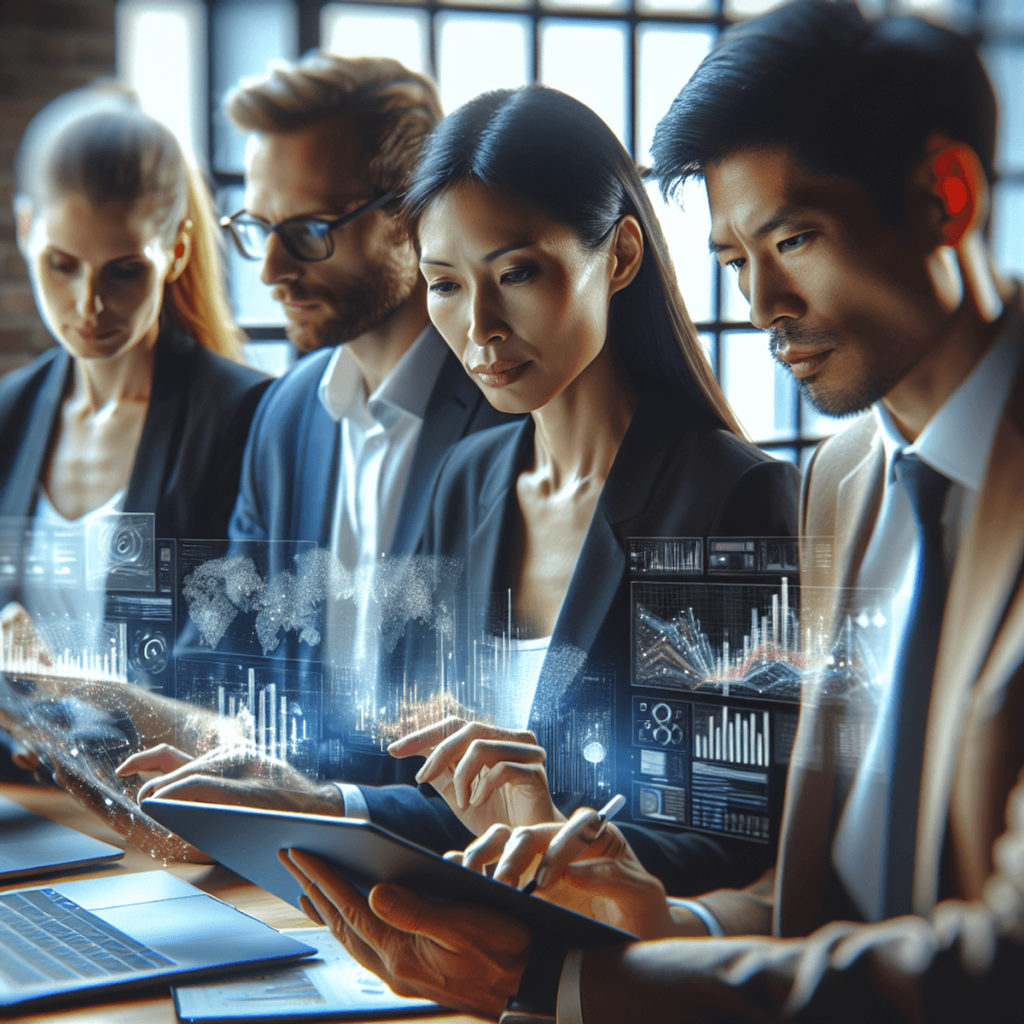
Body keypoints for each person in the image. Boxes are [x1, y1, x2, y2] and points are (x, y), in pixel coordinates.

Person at [277, 3, 1024, 1021]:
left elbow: (995, 956)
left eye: (795, 237)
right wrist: (674, 924)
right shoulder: (846, 480)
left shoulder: (744, 494)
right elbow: (821, 888)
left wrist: (571, 974)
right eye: (732, 258)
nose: (760, 304)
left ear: (944, 196)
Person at [0, 84, 269, 782]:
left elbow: (233, 675)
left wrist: (66, 691)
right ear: (25, 228)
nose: (87, 305)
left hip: (163, 809)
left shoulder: (240, 417)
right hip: (32, 797)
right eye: (61, 264)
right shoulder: (8, 414)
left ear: (177, 251)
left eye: (124, 272)